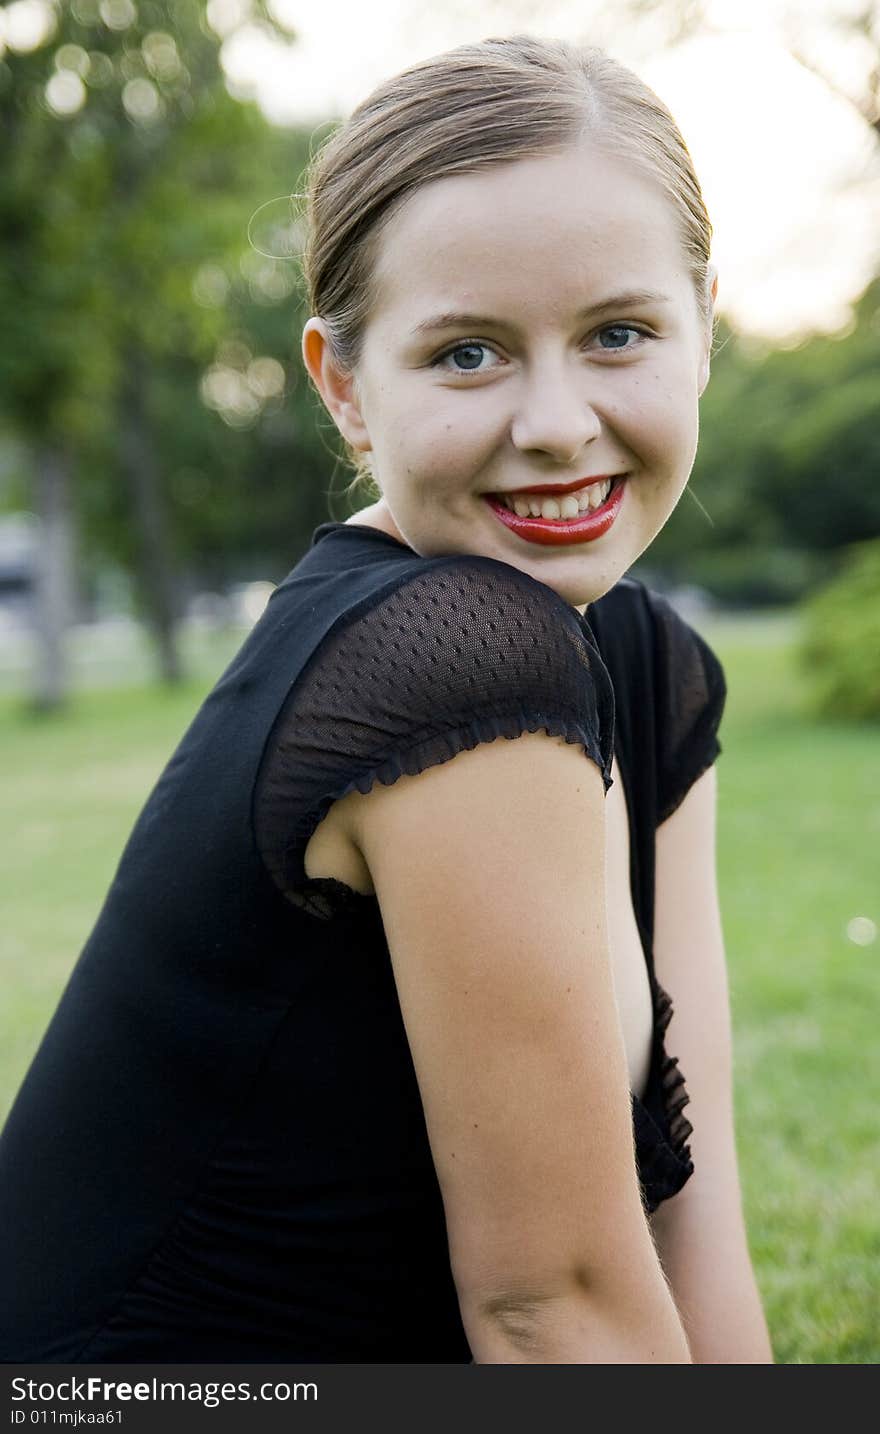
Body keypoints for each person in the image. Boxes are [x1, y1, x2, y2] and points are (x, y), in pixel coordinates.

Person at [0, 34, 773, 1363]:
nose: (555, 421)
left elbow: (687, 1203)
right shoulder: (454, 658)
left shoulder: (639, 655)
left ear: (705, 325)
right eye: (468, 354)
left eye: (620, 333)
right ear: (346, 388)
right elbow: (552, 1308)